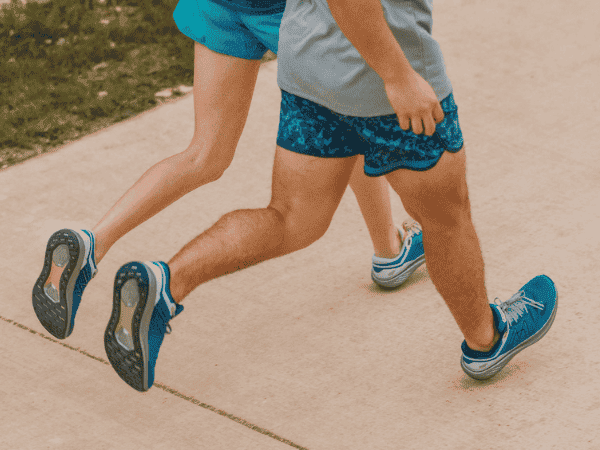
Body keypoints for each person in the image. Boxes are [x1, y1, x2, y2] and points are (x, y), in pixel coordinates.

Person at [31, 0, 427, 386]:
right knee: (347, 125)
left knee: (203, 154)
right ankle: (390, 252)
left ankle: (91, 243)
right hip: (294, 14)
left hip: (223, 5)